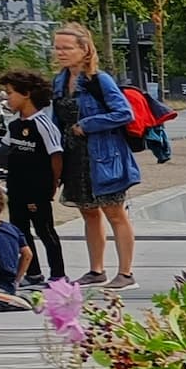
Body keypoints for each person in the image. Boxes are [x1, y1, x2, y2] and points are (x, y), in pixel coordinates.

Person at [50, 23, 139, 290]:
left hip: (103, 157)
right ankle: (96, 269)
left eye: (67, 48)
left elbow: (124, 113)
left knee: (115, 213)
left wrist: (88, 124)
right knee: (88, 212)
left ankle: (125, 272)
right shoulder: (60, 80)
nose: (61, 53)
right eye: (57, 48)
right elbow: (56, 117)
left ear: (84, 49)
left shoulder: (99, 80)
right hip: (75, 157)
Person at [0, 68, 65, 285]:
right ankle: (33, 273)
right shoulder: (15, 124)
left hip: (37, 188)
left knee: (45, 231)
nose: (7, 97)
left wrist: (53, 183)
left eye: (10, 92)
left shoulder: (43, 124)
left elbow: (56, 156)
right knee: (20, 231)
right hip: (16, 187)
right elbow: (5, 149)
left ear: (26, 93)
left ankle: (58, 275)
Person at [0, 180, 31, 310]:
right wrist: (17, 280)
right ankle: (10, 297)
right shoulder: (11, 229)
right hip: (7, 285)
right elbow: (27, 254)